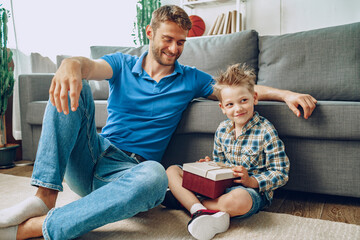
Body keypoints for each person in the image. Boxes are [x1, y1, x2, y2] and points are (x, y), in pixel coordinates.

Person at [0, 5, 315, 240]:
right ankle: (44, 198)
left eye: (181, 42)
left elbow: (239, 92)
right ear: (149, 33)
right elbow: (89, 66)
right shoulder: (122, 63)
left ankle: (37, 228)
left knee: (157, 175)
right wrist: (70, 64)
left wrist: (285, 93)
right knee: (76, 82)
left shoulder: (190, 78)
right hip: (91, 155)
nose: (174, 49)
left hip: (130, 173)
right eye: (168, 39)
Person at [165, 63, 290, 240]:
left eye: (243, 101)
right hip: (220, 188)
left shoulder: (266, 130)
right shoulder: (222, 129)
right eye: (230, 104)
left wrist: (251, 181)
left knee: (238, 200)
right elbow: (220, 163)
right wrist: (208, 167)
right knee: (171, 171)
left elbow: (281, 173)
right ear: (222, 108)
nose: (238, 108)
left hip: (250, 192)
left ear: (254, 98)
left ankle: (187, 202)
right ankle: (200, 210)